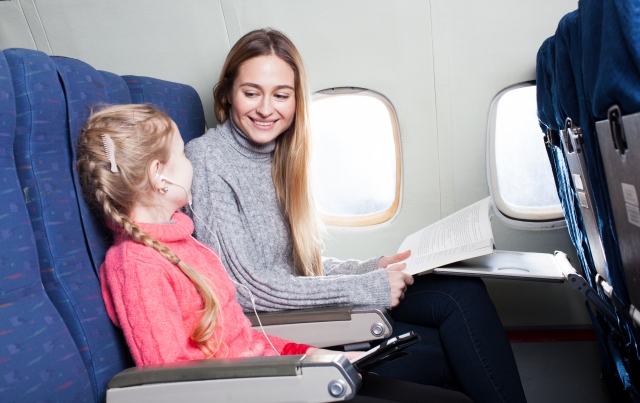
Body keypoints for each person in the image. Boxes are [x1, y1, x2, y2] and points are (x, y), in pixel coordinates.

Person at [186, 28, 528, 403]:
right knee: (452, 355)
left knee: (462, 292)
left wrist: (371, 267)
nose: (266, 109)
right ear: (227, 93)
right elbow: (247, 291)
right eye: (251, 93)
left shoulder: (281, 157)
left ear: (296, 100)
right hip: (278, 330)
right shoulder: (207, 159)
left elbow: (302, 268)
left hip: (303, 309)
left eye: (281, 95)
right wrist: (369, 287)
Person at [76, 103, 472, 403]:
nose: (190, 163)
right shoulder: (135, 266)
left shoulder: (184, 243)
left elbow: (244, 341)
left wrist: (313, 356)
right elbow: (174, 383)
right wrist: (297, 371)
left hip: (271, 377)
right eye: (182, 154)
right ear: (159, 176)